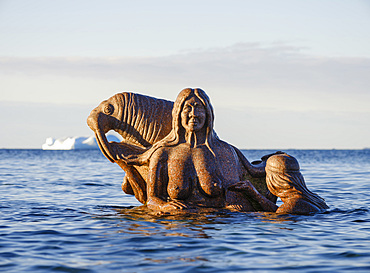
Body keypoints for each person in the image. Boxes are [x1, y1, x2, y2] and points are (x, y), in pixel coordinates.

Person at [124, 88, 260, 212]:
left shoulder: (223, 151)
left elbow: (235, 198)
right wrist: (164, 206)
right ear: (178, 113)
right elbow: (152, 200)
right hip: (177, 230)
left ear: (208, 114)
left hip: (214, 229)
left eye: (198, 108)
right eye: (187, 108)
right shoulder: (163, 152)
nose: (193, 114)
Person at [229, 153, 329, 215]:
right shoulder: (313, 199)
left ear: (274, 179)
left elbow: (276, 216)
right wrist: (256, 195)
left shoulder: (291, 205)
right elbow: (277, 211)